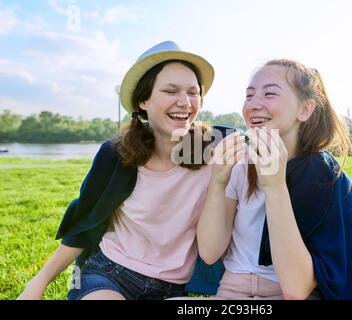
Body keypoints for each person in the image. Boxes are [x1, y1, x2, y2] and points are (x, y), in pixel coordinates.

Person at [18, 41, 227, 300]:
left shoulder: (218, 149)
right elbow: (85, 223)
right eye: (170, 91)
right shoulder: (116, 154)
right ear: (142, 101)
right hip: (108, 274)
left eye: (193, 92)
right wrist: (37, 284)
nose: (185, 102)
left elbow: (277, 150)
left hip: (171, 289)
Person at [197, 59, 352, 300]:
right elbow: (210, 252)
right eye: (249, 95)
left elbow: (296, 289)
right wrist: (217, 183)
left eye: (269, 93)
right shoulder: (240, 165)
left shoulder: (323, 176)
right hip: (231, 290)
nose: (254, 104)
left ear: (305, 110)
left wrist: (275, 187)